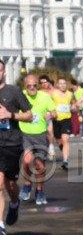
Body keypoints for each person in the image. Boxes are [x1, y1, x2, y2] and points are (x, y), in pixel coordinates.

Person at [0, 63, 26, 235]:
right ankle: (0, 226)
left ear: (4, 72)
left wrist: (11, 115)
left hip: (12, 144)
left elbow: (30, 115)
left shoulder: (14, 91)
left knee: (10, 185)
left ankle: (15, 203)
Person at [18, 74, 53, 205]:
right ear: (25, 86)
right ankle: (27, 184)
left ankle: (39, 190)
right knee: (26, 161)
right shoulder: (20, 96)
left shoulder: (45, 96)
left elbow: (54, 112)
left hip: (40, 134)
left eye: (34, 85)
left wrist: (50, 115)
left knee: (40, 165)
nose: (32, 88)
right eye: (29, 86)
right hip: (24, 133)